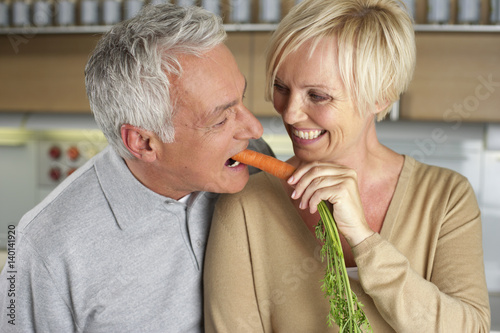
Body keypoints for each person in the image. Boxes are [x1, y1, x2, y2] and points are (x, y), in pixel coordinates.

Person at [203, 0, 491, 331]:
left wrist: (364, 240)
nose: (289, 113)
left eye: (318, 96)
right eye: (281, 87)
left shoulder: (444, 198)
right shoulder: (245, 206)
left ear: (380, 96)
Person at [0, 3, 274, 332]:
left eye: (241, 99)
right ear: (143, 143)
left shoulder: (255, 166)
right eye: (220, 119)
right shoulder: (45, 248)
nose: (254, 129)